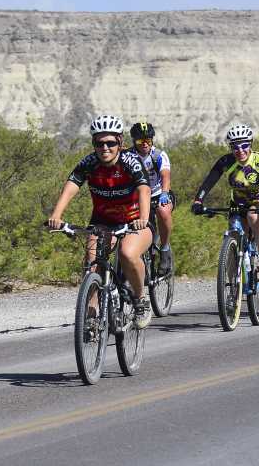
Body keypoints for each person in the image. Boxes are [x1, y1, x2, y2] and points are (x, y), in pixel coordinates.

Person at [47, 115, 153, 329]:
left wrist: (142, 218)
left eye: (110, 143)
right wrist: (56, 215)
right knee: (92, 265)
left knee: (127, 253)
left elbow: (144, 189)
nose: (105, 148)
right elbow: (71, 185)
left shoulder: (131, 162)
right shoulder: (89, 163)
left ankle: (141, 299)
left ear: (120, 142)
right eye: (99, 143)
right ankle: (92, 318)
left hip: (134, 222)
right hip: (103, 222)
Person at [190, 124, 259, 273]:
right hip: (238, 202)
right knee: (234, 232)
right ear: (231, 147)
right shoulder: (226, 161)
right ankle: (233, 286)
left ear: (250, 144)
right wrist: (198, 201)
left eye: (244, 145)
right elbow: (208, 182)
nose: (240, 151)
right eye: (235, 147)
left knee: (253, 215)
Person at [129, 121, 174, 274]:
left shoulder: (158, 155)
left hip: (158, 193)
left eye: (148, 140)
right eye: (140, 140)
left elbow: (165, 175)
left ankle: (165, 248)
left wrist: (164, 192)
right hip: (138, 197)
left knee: (163, 211)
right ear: (134, 141)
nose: (145, 144)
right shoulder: (128, 156)